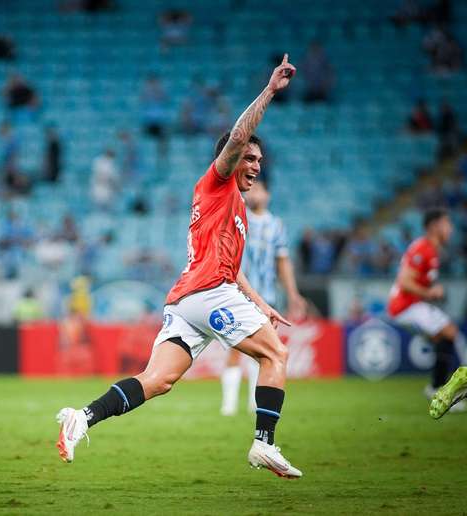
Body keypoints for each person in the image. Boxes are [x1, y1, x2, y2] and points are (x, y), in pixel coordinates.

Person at [56, 55, 303, 478]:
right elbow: (240, 134)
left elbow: (233, 267)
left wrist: (261, 303)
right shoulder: (217, 182)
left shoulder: (236, 210)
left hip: (189, 299)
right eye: (249, 158)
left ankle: (82, 417)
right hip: (209, 294)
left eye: (259, 162)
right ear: (231, 157)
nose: (255, 166)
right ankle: (264, 443)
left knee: (157, 380)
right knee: (276, 354)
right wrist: (269, 91)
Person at [220, 180, 307, 416]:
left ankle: (253, 402)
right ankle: (228, 405)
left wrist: (292, 293)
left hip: (266, 297)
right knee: (236, 347)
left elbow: (283, 261)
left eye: (260, 189)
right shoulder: (239, 218)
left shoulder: (276, 225)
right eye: (252, 189)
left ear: (268, 194)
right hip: (238, 294)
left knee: (262, 350)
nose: (255, 193)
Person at [387, 208, 466, 411]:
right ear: (434, 226)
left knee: (443, 338)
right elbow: (403, 281)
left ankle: (437, 390)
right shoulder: (424, 248)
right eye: (447, 223)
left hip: (409, 306)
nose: (451, 228)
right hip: (405, 306)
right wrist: (429, 292)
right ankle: (439, 390)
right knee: (450, 332)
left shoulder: (429, 249)